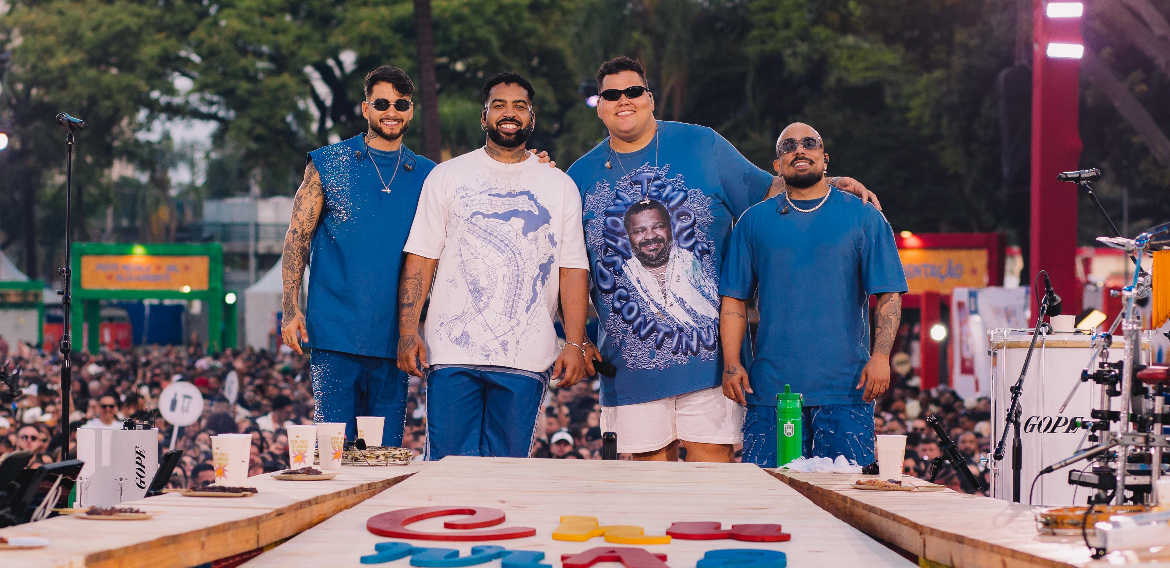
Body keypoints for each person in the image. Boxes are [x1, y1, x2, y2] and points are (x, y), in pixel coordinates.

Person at [565, 56, 879, 462]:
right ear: (600, 106)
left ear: (650, 98)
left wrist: (828, 183)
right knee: (647, 490)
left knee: (712, 487)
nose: (623, 100)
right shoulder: (579, 176)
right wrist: (579, 338)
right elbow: (567, 266)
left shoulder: (702, 144)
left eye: (633, 91)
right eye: (611, 95)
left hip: (711, 367)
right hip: (630, 371)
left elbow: (767, 192)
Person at [397, 72, 591, 460]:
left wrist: (574, 342)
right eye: (499, 105)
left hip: (526, 357)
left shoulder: (559, 185)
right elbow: (421, 258)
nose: (509, 113)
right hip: (451, 353)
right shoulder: (446, 176)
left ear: (532, 118)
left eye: (520, 106)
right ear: (483, 116)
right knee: (448, 467)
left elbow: (572, 269)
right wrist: (407, 331)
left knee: (509, 471)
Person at [720, 122, 907, 467]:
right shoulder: (752, 221)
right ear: (777, 165)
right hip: (771, 393)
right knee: (769, 495)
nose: (799, 150)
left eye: (809, 143)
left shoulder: (865, 216)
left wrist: (882, 357)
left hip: (847, 390)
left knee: (845, 496)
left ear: (825, 157)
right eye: (788, 146)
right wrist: (732, 363)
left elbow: (889, 295)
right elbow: (734, 299)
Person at [279, 65, 436, 443]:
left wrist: (532, 161)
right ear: (366, 108)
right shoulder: (328, 163)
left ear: (411, 111)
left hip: (396, 340)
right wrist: (290, 307)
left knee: (383, 455)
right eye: (381, 103)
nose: (391, 111)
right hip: (334, 337)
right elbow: (297, 237)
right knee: (333, 451)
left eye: (401, 104)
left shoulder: (430, 175)